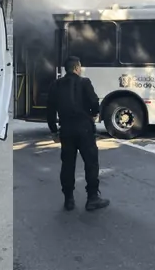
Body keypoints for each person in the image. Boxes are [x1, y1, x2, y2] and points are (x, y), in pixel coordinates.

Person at [46, 56, 110, 212]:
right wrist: (94, 113)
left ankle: (69, 199)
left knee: (67, 165)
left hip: (66, 130)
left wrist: (54, 131)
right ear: (76, 68)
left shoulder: (56, 85)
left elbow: (50, 110)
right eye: (80, 67)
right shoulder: (85, 82)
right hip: (84, 129)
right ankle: (92, 198)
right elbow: (95, 103)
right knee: (91, 163)